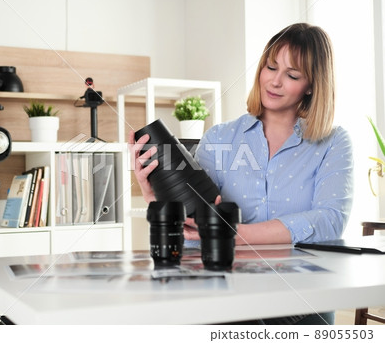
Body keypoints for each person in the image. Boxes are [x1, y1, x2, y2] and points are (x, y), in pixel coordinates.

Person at [129, 23, 354, 325]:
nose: (274, 81)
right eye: (270, 67)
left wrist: (238, 235)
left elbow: (329, 222)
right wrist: (158, 195)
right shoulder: (220, 138)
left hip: (303, 299)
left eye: (292, 75)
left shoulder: (333, 142)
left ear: (312, 85)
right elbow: (198, 226)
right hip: (228, 294)